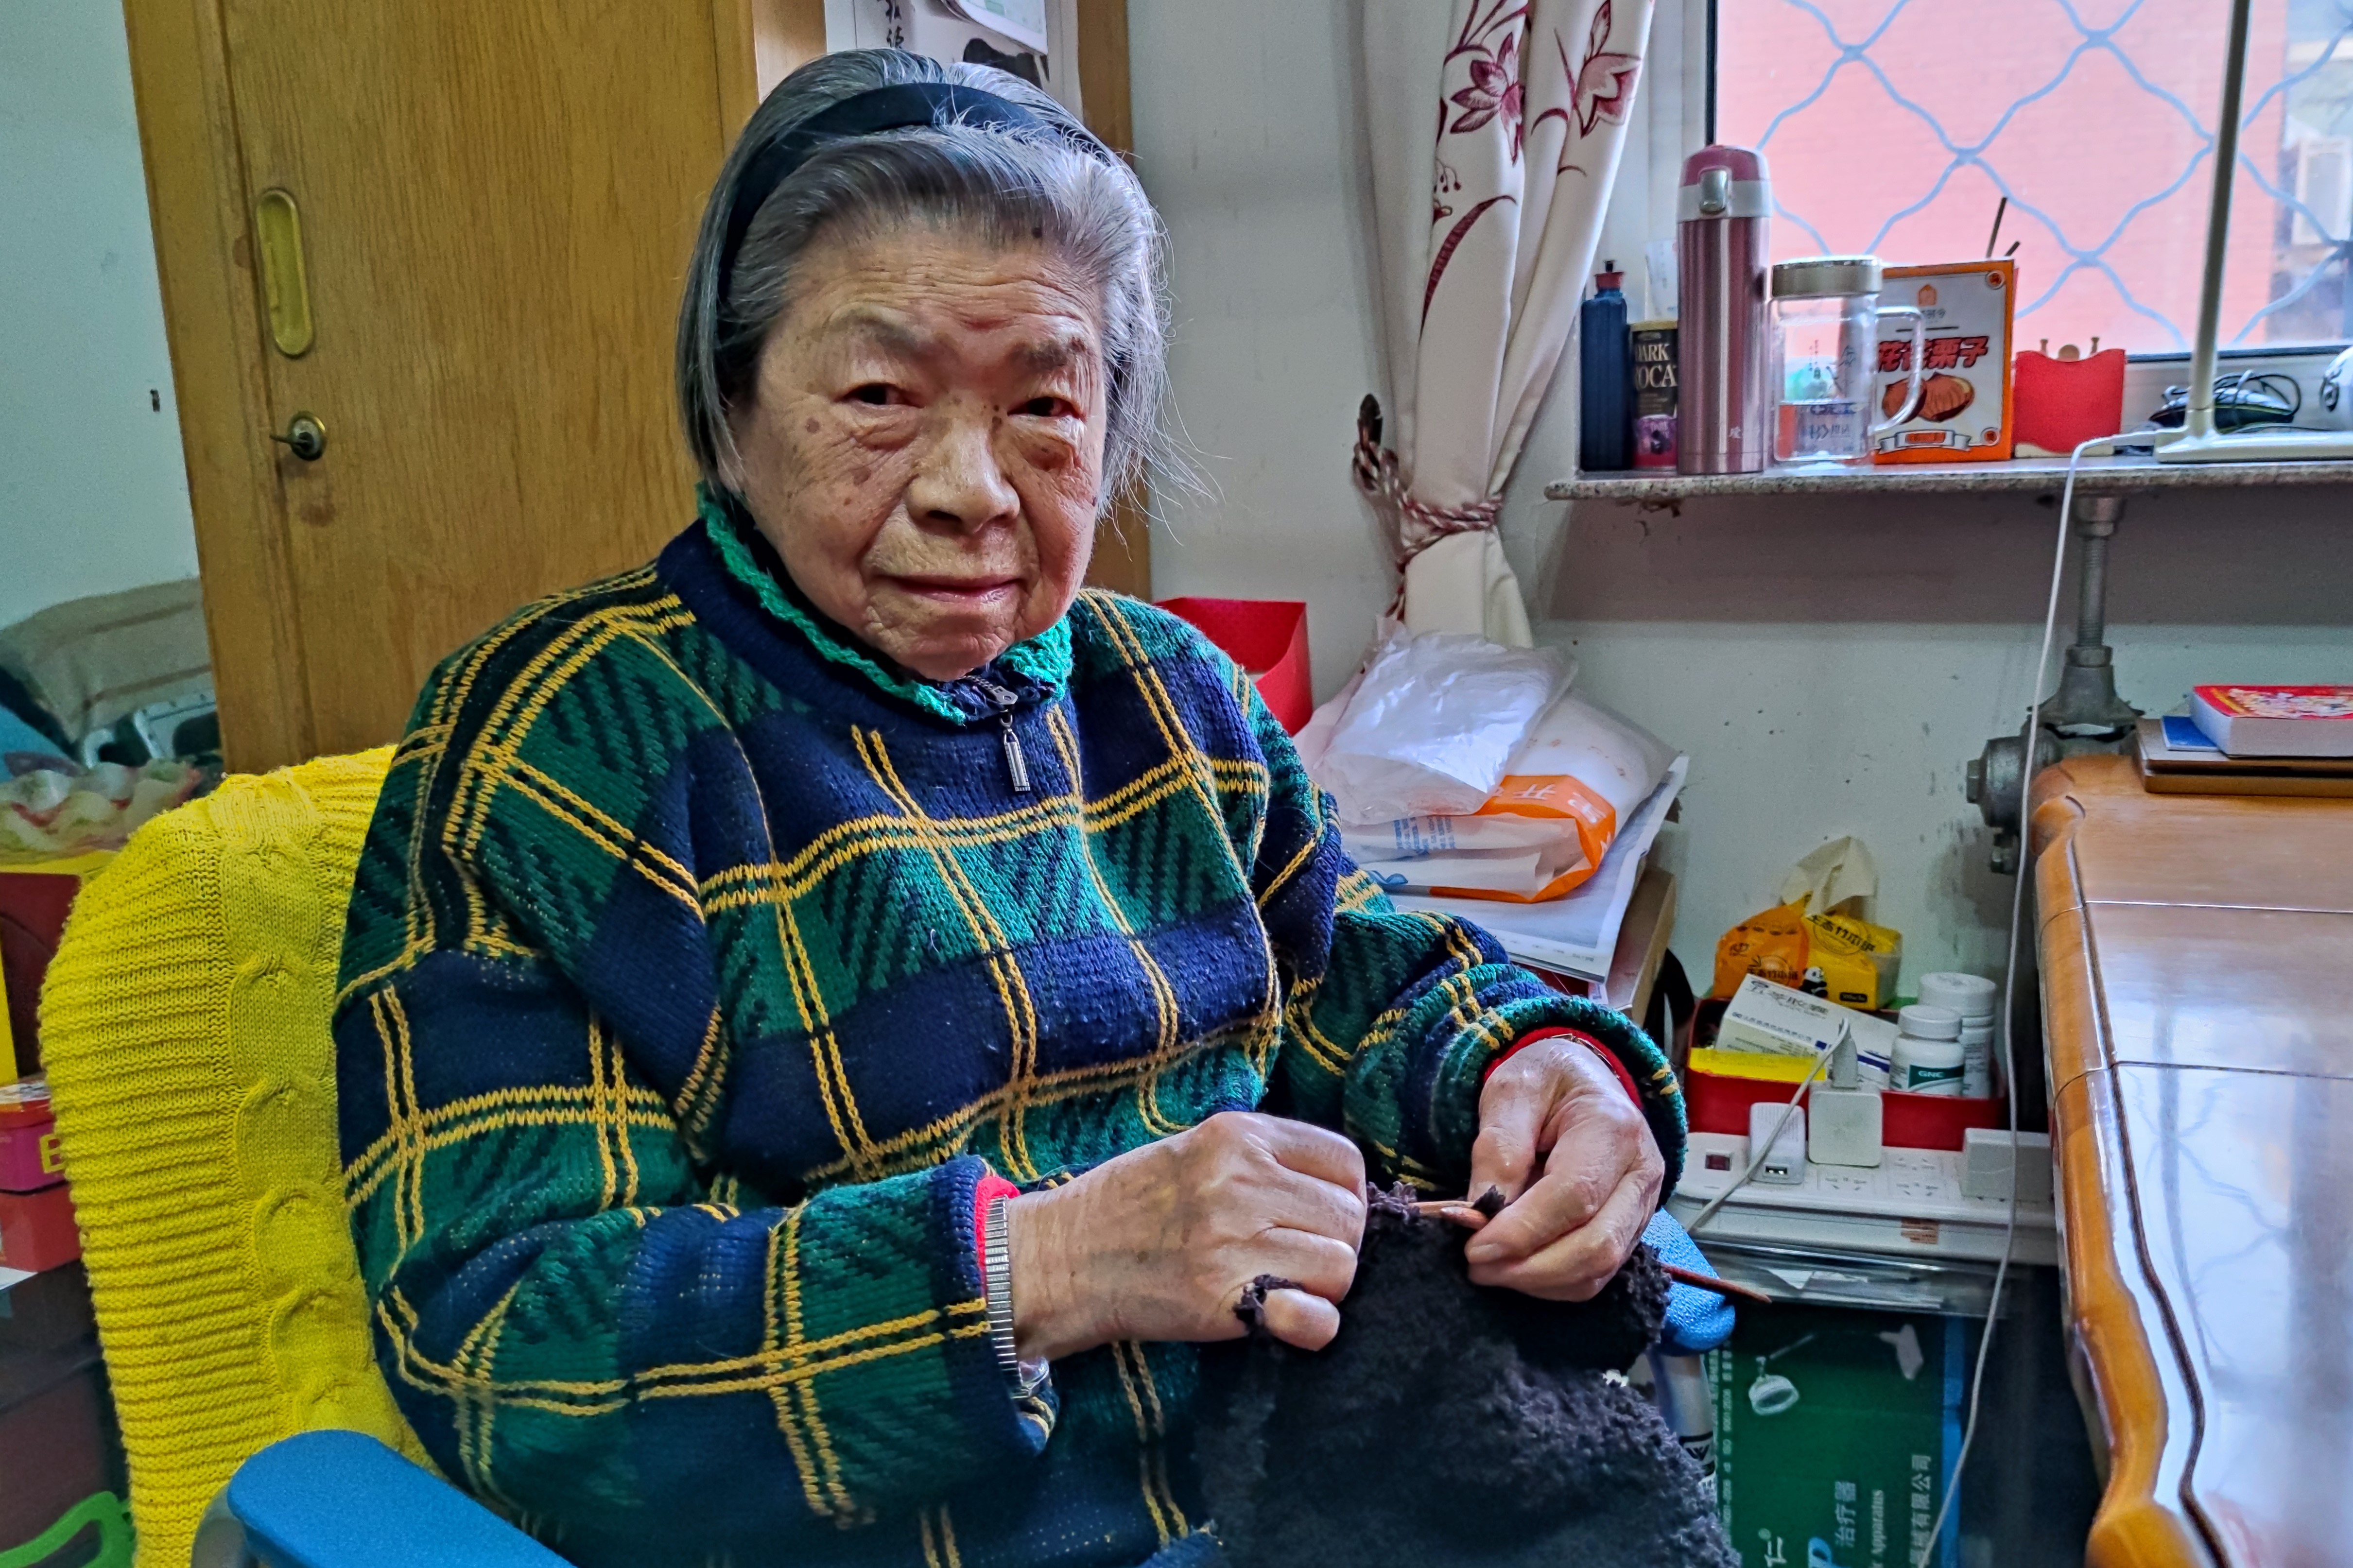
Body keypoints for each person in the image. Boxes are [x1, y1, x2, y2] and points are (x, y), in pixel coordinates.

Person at [333, 47, 1682, 1568]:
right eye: (879, 395)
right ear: (730, 403)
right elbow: (508, 1352)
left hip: (1289, 1503)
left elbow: (1359, 982)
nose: (973, 488)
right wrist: (1045, 1264)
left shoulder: (1165, 691)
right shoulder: (561, 741)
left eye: (1046, 405)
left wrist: (1543, 1070)